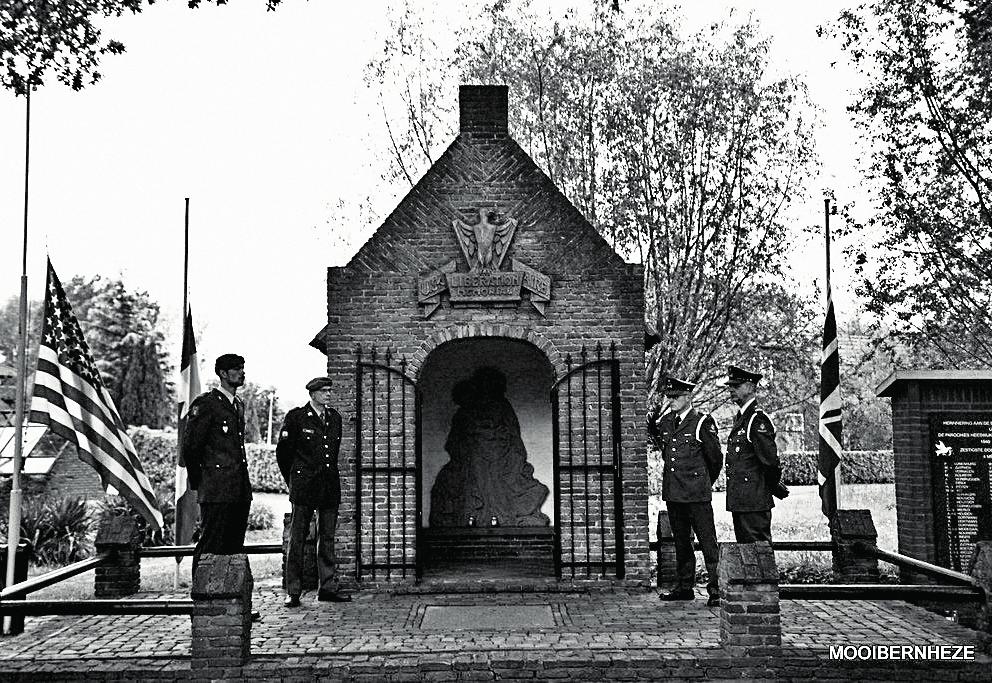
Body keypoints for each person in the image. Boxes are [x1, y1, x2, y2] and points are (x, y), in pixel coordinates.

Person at [648, 376, 723, 607]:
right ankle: (684, 586)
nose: (671, 401)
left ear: (687, 397)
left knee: (708, 542)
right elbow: (665, 451)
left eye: (675, 397)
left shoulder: (701, 422)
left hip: (697, 494)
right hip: (674, 493)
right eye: (669, 397)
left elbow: (715, 459)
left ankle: (716, 588)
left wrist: (702, 483)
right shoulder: (667, 422)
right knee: (681, 542)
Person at [277, 376, 351, 606]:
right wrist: (294, 480)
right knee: (297, 538)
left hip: (328, 485)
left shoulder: (334, 418)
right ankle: (294, 590)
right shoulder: (297, 417)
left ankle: (327, 587)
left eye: (329, 391)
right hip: (305, 486)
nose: (328, 394)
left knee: (327, 537)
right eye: (323, 391)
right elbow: (284, 454)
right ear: (312, 394)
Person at [183, 353, 253, 573]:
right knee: (211, 544)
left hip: (238, 487)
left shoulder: (238, 405)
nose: (242, 372)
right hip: (216, 488)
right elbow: (191, 448)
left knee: (234, 545)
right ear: (223, 374)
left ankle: (228, 600)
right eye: (236, 368)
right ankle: (201, 592)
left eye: (243, 367)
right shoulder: (206, 404)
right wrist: (202, 483)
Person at [723, 364, 789, 543]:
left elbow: (770, 463)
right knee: (748, 555)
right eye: (730, 386)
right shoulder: (742, 418)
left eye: (736, 386)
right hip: (742, 501)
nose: (731, 390)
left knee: (759, 553)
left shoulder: (757, 419)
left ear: (751, 387)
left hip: (754, 500)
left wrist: (773, 486)